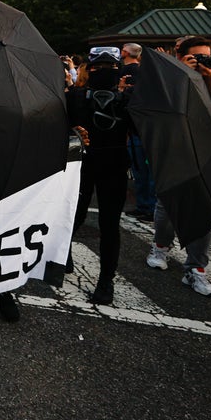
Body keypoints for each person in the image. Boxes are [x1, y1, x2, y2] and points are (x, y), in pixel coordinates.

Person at [145, 37, 211, 298]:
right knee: (167, 206)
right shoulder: (171, 74)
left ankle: (196, 269)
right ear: (181, 55)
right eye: (196, 58)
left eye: (207, 57)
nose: (203, 62)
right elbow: (164, 108)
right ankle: (161, 245)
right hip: (176, 151)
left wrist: (209, 78)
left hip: (209, 152)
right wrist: (180, 72)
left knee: (207, 210)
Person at [67, 47, 131, 305]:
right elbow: (60, 124)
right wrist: (73, 131)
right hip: (83, 165)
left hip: (113, 165)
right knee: (76, 212)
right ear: (89, 70)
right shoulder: (75, 96)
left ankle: (106, 279)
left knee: (109, 224)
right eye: (98, 68)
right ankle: (64, 253)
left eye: (111, 68)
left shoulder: (128, 101)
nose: (104, 72)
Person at [120, 43, 154, 221]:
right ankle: (144, 206)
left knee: (148, 173)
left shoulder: (155, 87)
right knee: (140, 172)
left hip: (147, 133)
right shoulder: (138, 81)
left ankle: (150, 207)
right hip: (136, 131)